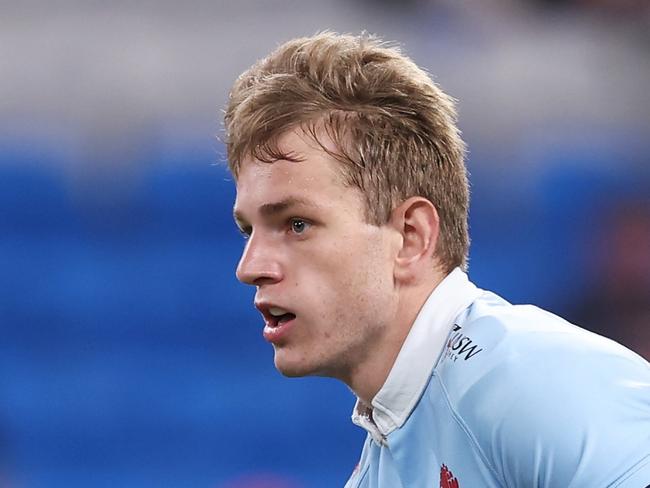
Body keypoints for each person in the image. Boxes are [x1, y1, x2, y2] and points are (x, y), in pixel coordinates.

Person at [224, 32, 650, 487]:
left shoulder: (531, 382)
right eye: (249, 231)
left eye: (297, 224)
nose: (250, 267)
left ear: (410, 237)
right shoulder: (382, 464)